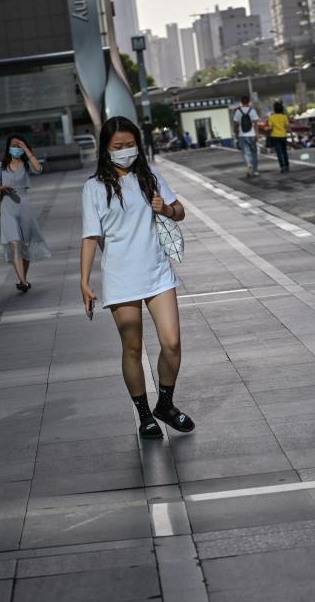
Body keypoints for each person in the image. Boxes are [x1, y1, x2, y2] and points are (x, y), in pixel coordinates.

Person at [80, 116, 195, 440]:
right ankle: (145, 414)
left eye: (130, 145)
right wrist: (84, 281)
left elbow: (179, 210)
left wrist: (167, 209)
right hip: (120, 276)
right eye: (118, 147)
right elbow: (90, 237)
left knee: (172, 343)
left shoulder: (150, 176)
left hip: (157, 271)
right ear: (105, 149)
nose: (125, 151)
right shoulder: (94, 188)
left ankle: (166, 404)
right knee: (132, 348)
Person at [0, 135, 51, 292]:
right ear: (8, 147)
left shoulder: (25, 163)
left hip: (24, 207)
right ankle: (22, 281)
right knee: (14, 244)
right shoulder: (1, 164)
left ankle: (24, 278)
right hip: (7, 207)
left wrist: (25, 148)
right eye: (13, 145)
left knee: (25, 246)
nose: (16, 148)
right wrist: (3, 188)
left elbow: (39, 169)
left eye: (18, 145)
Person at [233, 95, 260, 177]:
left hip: (242, 135)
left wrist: (236, 134)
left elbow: (235, 124)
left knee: (245, 153)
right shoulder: (252, 111)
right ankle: (255, 171)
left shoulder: (238, 111)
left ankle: (248, 165)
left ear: (241, 102)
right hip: (252, 135)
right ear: (249, 102)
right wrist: (257, 134)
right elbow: (256, 124)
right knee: (254, 153)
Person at [267, 101, 290, 173]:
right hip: (283, 136)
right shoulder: (284, 117)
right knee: (284, 151)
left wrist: (268, 130)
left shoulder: (271, 117)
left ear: (274, 109)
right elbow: (287, 127)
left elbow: (270, 128)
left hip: (275, 136)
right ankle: (287, 165)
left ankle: (282, 166)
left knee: (279, 152)